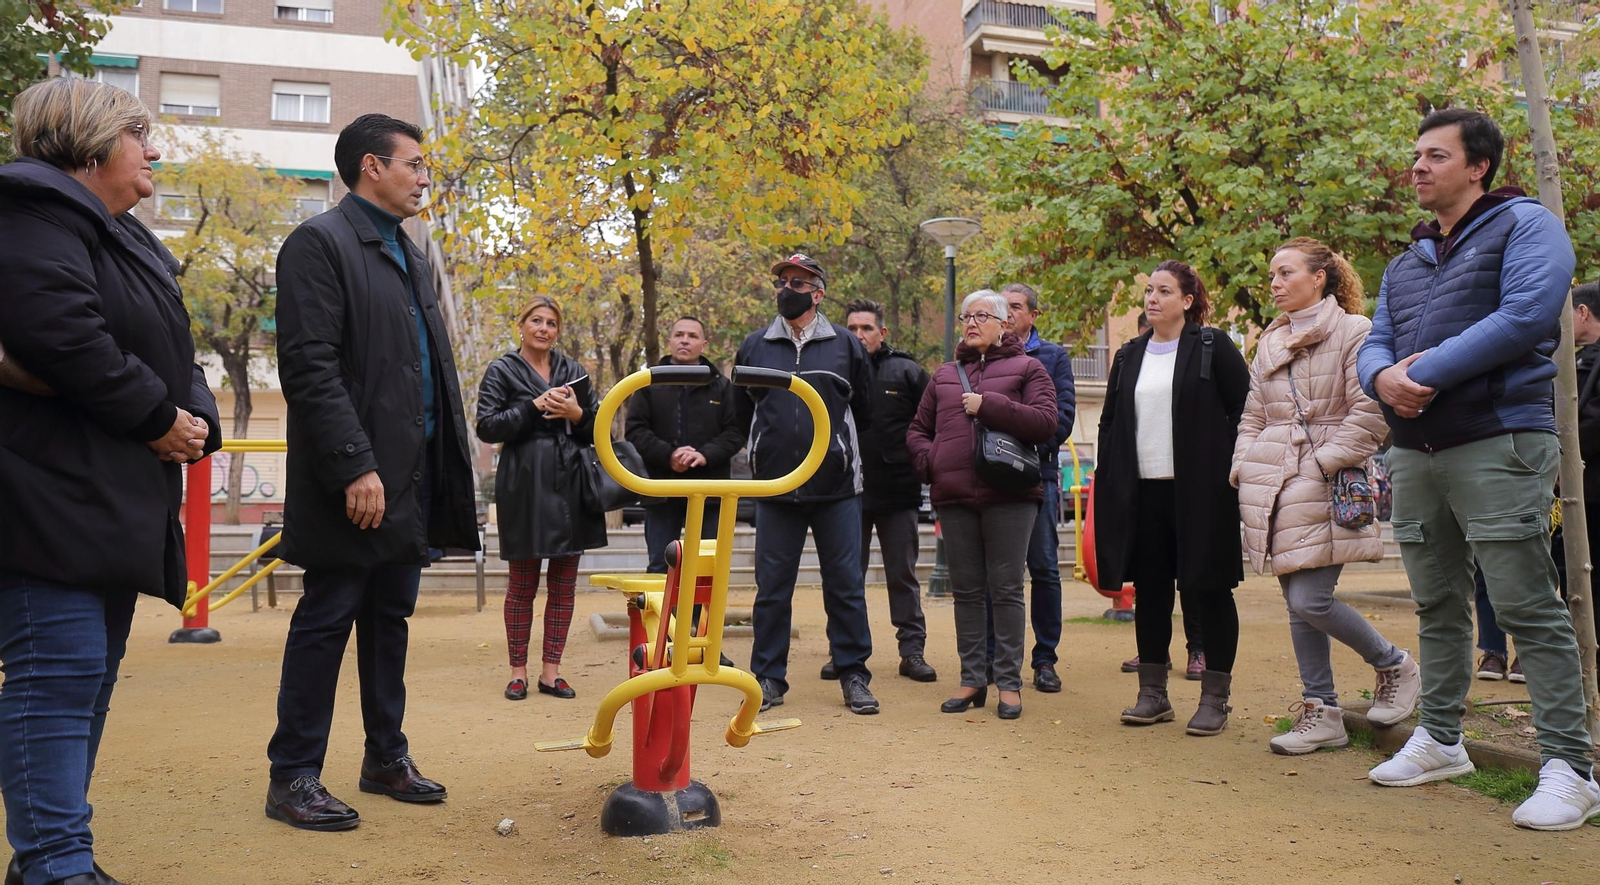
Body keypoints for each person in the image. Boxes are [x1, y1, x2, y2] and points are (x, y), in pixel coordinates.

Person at [0, 77, 221, 885]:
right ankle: (57, 860)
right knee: (55, 674)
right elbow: (62, 331)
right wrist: (155, 414)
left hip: (111, 498)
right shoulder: (32, 209)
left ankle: (51, 858)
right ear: (91, 144)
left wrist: (195, 420)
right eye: (139, 134)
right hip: (45, 492)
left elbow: (173, 348)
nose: (153, 149)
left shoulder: (125, 234)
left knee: (83, 678)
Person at [1357, 109, 1598, 830]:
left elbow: (1528, 313)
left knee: (1526, 604)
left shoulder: (1527, 226)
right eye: (1416, 155)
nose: (1419, 167)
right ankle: (1441, 738)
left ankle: (1571, 768)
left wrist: (1420, 372)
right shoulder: (1406, 260)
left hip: (1499, 440)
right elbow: (1376, 340)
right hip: (1417, 450)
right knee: (1436, 604)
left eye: (1436, 155)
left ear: (1479, 165)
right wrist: (1381, 382)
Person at [267, 114, 480, 831]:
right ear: (370, 167)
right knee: (327, 619)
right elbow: (308, 367)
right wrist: (355, 463)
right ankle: (293, 774)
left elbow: (425, 370)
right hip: (354, 480)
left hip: (409, 480)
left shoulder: (409, 252)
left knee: (390, 619)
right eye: (415, 165)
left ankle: (386, 755)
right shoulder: (317, 243)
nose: (424, 178)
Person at [1231, 238, 1421, 755]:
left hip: (1326, 476)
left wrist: (1318, 464)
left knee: (1309, 598)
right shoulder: (1268, 341)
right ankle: (1322, 710)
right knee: (1297, 604)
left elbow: (1370, 412)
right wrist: (1244, 466)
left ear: (1319, 277)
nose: (1274, 283)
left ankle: (1394, 664)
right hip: (1271, 481)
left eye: (1285, 273)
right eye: (1271, 274)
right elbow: (1253, 416)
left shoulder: (1355, 332)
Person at [1095, 260, 1250, 736]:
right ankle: (1153, 694)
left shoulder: (1212, 346)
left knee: (1210, 589)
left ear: (1187, 300)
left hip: (1202, 493)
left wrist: (1223, 466)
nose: (1152, 298)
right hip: (1143, 493)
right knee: (1152, 591)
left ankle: (1214, 699)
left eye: (1164, 290)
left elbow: (1244, 410)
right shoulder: (1128, 355)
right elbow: (1110, 424)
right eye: (1148, 290)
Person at [736, 253, 878, 714]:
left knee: (845, 586)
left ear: (818, 293)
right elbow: (741, 414)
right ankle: (768, 679)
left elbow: (868, 410)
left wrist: (840, 452)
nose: (786, 288)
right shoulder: (755, 345)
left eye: (797, 282)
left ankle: (853, 673)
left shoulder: (845, 345)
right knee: (772, 588)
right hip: (775, 490)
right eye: (781, 281)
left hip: (836, 489)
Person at [907, 291, 1058, 720]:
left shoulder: (1030, 368)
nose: (971, 323)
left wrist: (989, 405)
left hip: (1010, 495)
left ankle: (1008, 684)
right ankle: (972, 678)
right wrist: (930, 462)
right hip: (954, 497)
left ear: (1003, 323)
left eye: (981, 316)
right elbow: (918, 429)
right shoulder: (944, 375)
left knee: (1007, 589)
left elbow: (1046, 424)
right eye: (966, 317)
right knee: (968, 592)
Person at [477, 296, 606, 702]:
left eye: (551, 323)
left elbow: (598, 427)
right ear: (522, 324)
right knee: (522, 585)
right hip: (525, 484)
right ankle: (518, 672)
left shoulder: (572, 370)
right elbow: (487, 427)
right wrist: (533, 407)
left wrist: (575, 414)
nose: (544, 329)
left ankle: (552, 672)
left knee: (564, 585)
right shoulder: (502, 369)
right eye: (537, 320)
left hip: (571, 486)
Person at [842, 298, 936, 683]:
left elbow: (932, 425)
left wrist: (922, 465)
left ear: (882, 333)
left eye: (866, 328)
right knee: (847, 578)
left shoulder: (908, 371)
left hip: (898, 491)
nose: (859, 335)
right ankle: (845, 653)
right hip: (846, 493)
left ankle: (912, 652)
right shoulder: (834, 368)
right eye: (852, 329)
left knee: (902, 575)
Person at [988, 283, 1075, 693]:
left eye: (1016, 307)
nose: (1007, 314)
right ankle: (993, 658)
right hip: (988, 479)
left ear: (1033, 315)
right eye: (1001, 308)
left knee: (1043, 568)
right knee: (997, 574)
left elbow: (1061, 419)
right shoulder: (981, 356)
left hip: (1037, 476)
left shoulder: (1054, 357)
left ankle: (1045, 660)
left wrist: (1015, 442)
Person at [625, 316, 745, 574]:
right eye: (679, 335)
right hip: (661, 491)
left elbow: (736, 432)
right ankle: (660, 616)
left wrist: (704, 455)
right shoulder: (648, 383)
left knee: (705, 568)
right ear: (669, 341)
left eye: (692, 336)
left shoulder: (722, 387)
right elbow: (635, 429)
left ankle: (699, 616)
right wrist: (669, 456)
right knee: (659, 566)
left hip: (710, 492)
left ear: (703, 345)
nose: (685, 340)